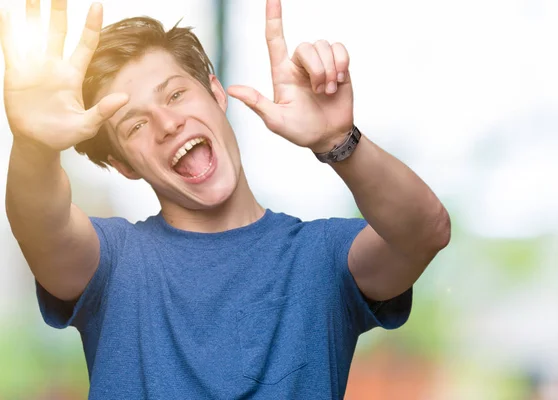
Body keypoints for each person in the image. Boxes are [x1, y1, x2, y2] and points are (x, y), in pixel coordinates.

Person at [2, 0, 450, 398]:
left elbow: (425, 232)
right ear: (124, 166)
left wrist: (338, 140)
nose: (167, 123)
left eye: (175, 94)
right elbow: (40, 221)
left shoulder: (322, 257)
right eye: (135, 125)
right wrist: (34, 143)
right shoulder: (112, 263)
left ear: (216, 93)